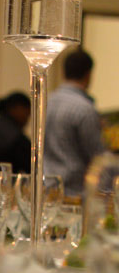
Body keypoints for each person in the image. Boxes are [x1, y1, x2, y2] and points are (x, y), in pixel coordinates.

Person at [44, 46, 104, 197]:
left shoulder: (47, 102)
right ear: (88, 74)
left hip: (47, 188)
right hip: (74, 193)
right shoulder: (84, 108)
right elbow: (96, 158)